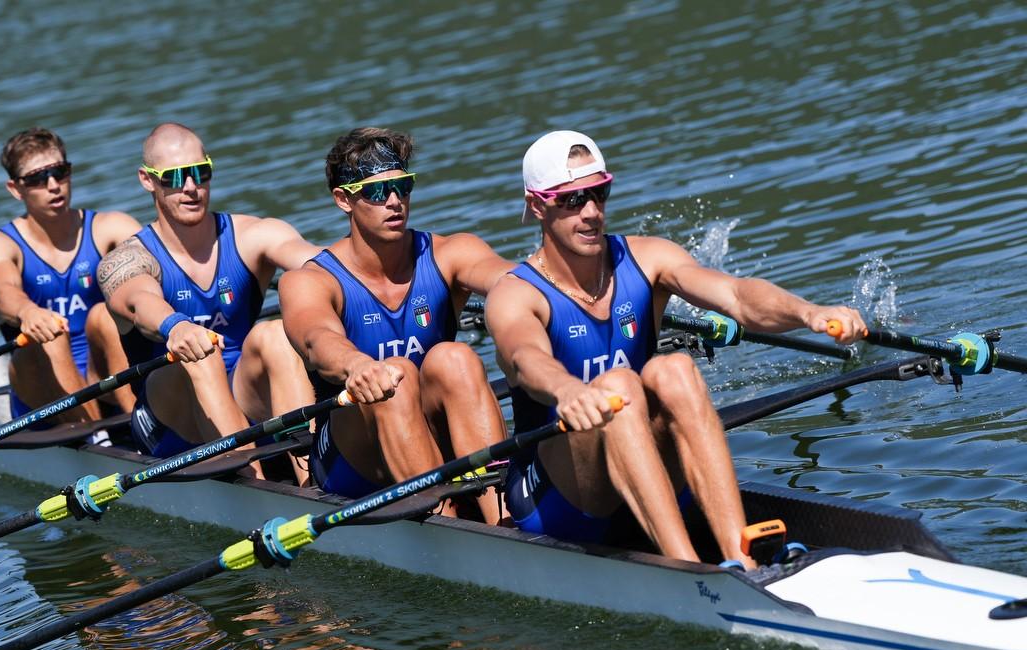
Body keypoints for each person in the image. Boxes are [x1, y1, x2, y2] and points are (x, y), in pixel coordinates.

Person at [484, 130, 869, 568]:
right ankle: (686, 568)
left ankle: (739, 557)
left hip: (642, 464)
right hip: (559, 501)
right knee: (621, 383)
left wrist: (806, 312)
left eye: (598, 193)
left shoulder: (650, 259)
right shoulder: (515, 294)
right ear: (537, 205)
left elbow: (737, 296)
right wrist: (567, 391)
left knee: (675, 369)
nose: (591, 212)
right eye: (571, 200)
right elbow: (524, 357)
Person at [279, 127, 509, 524]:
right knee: (398, 373)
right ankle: (449, 524)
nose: (393, 201)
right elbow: (318, 339)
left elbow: (511, 280)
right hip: (352, 458)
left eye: (402, 186)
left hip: (428, 428)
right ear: (343, 200)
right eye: (374, 192)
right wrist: (356, 366)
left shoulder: (451, 252)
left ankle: (502, 520)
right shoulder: (309, 281)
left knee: (455, 356)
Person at [95, 123, 317, 481]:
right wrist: (176, 325)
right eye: (174, 177)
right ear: (147, 180)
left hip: (244, 393)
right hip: (170, 418)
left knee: (274, 334)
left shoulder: (254, 235)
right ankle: (254, 488)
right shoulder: (127, 259)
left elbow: (316, 261)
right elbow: (138, 299)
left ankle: (312, 478)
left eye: (200, 173)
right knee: (201, 354)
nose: (190, 187)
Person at [0, 127, 141, 423]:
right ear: (15, 189)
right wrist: (28, 312)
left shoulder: (111, 228)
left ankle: (144, 425)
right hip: (43, 395)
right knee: (48, 330)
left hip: (105, 376)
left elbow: (162, 268)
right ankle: (96, 437)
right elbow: (2, 291)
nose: (53, 185)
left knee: (105, 314)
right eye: (37, 178)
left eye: (59, 172)